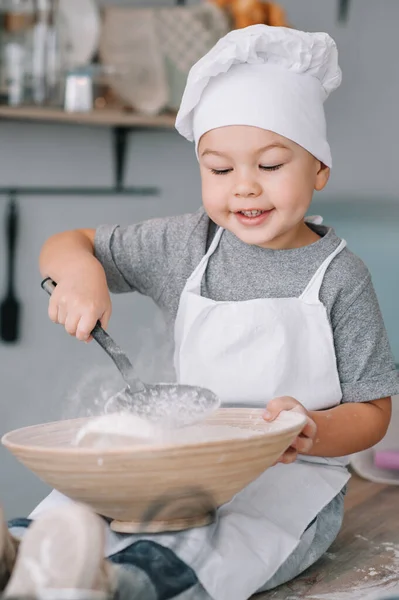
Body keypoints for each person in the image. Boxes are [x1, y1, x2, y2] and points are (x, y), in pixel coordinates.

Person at [1, 24, 398, 600]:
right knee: (88, 502)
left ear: (318, 170)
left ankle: (121, 584)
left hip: (287, 478)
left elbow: (374, 409)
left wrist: (314, 430)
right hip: (188, 453)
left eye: (269, 166)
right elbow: (69, 242)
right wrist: (82, 275)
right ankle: (22, 556)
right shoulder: (187, 245)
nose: (244, 189)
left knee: (217, 539)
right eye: (219, 169)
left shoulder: (341, 276)